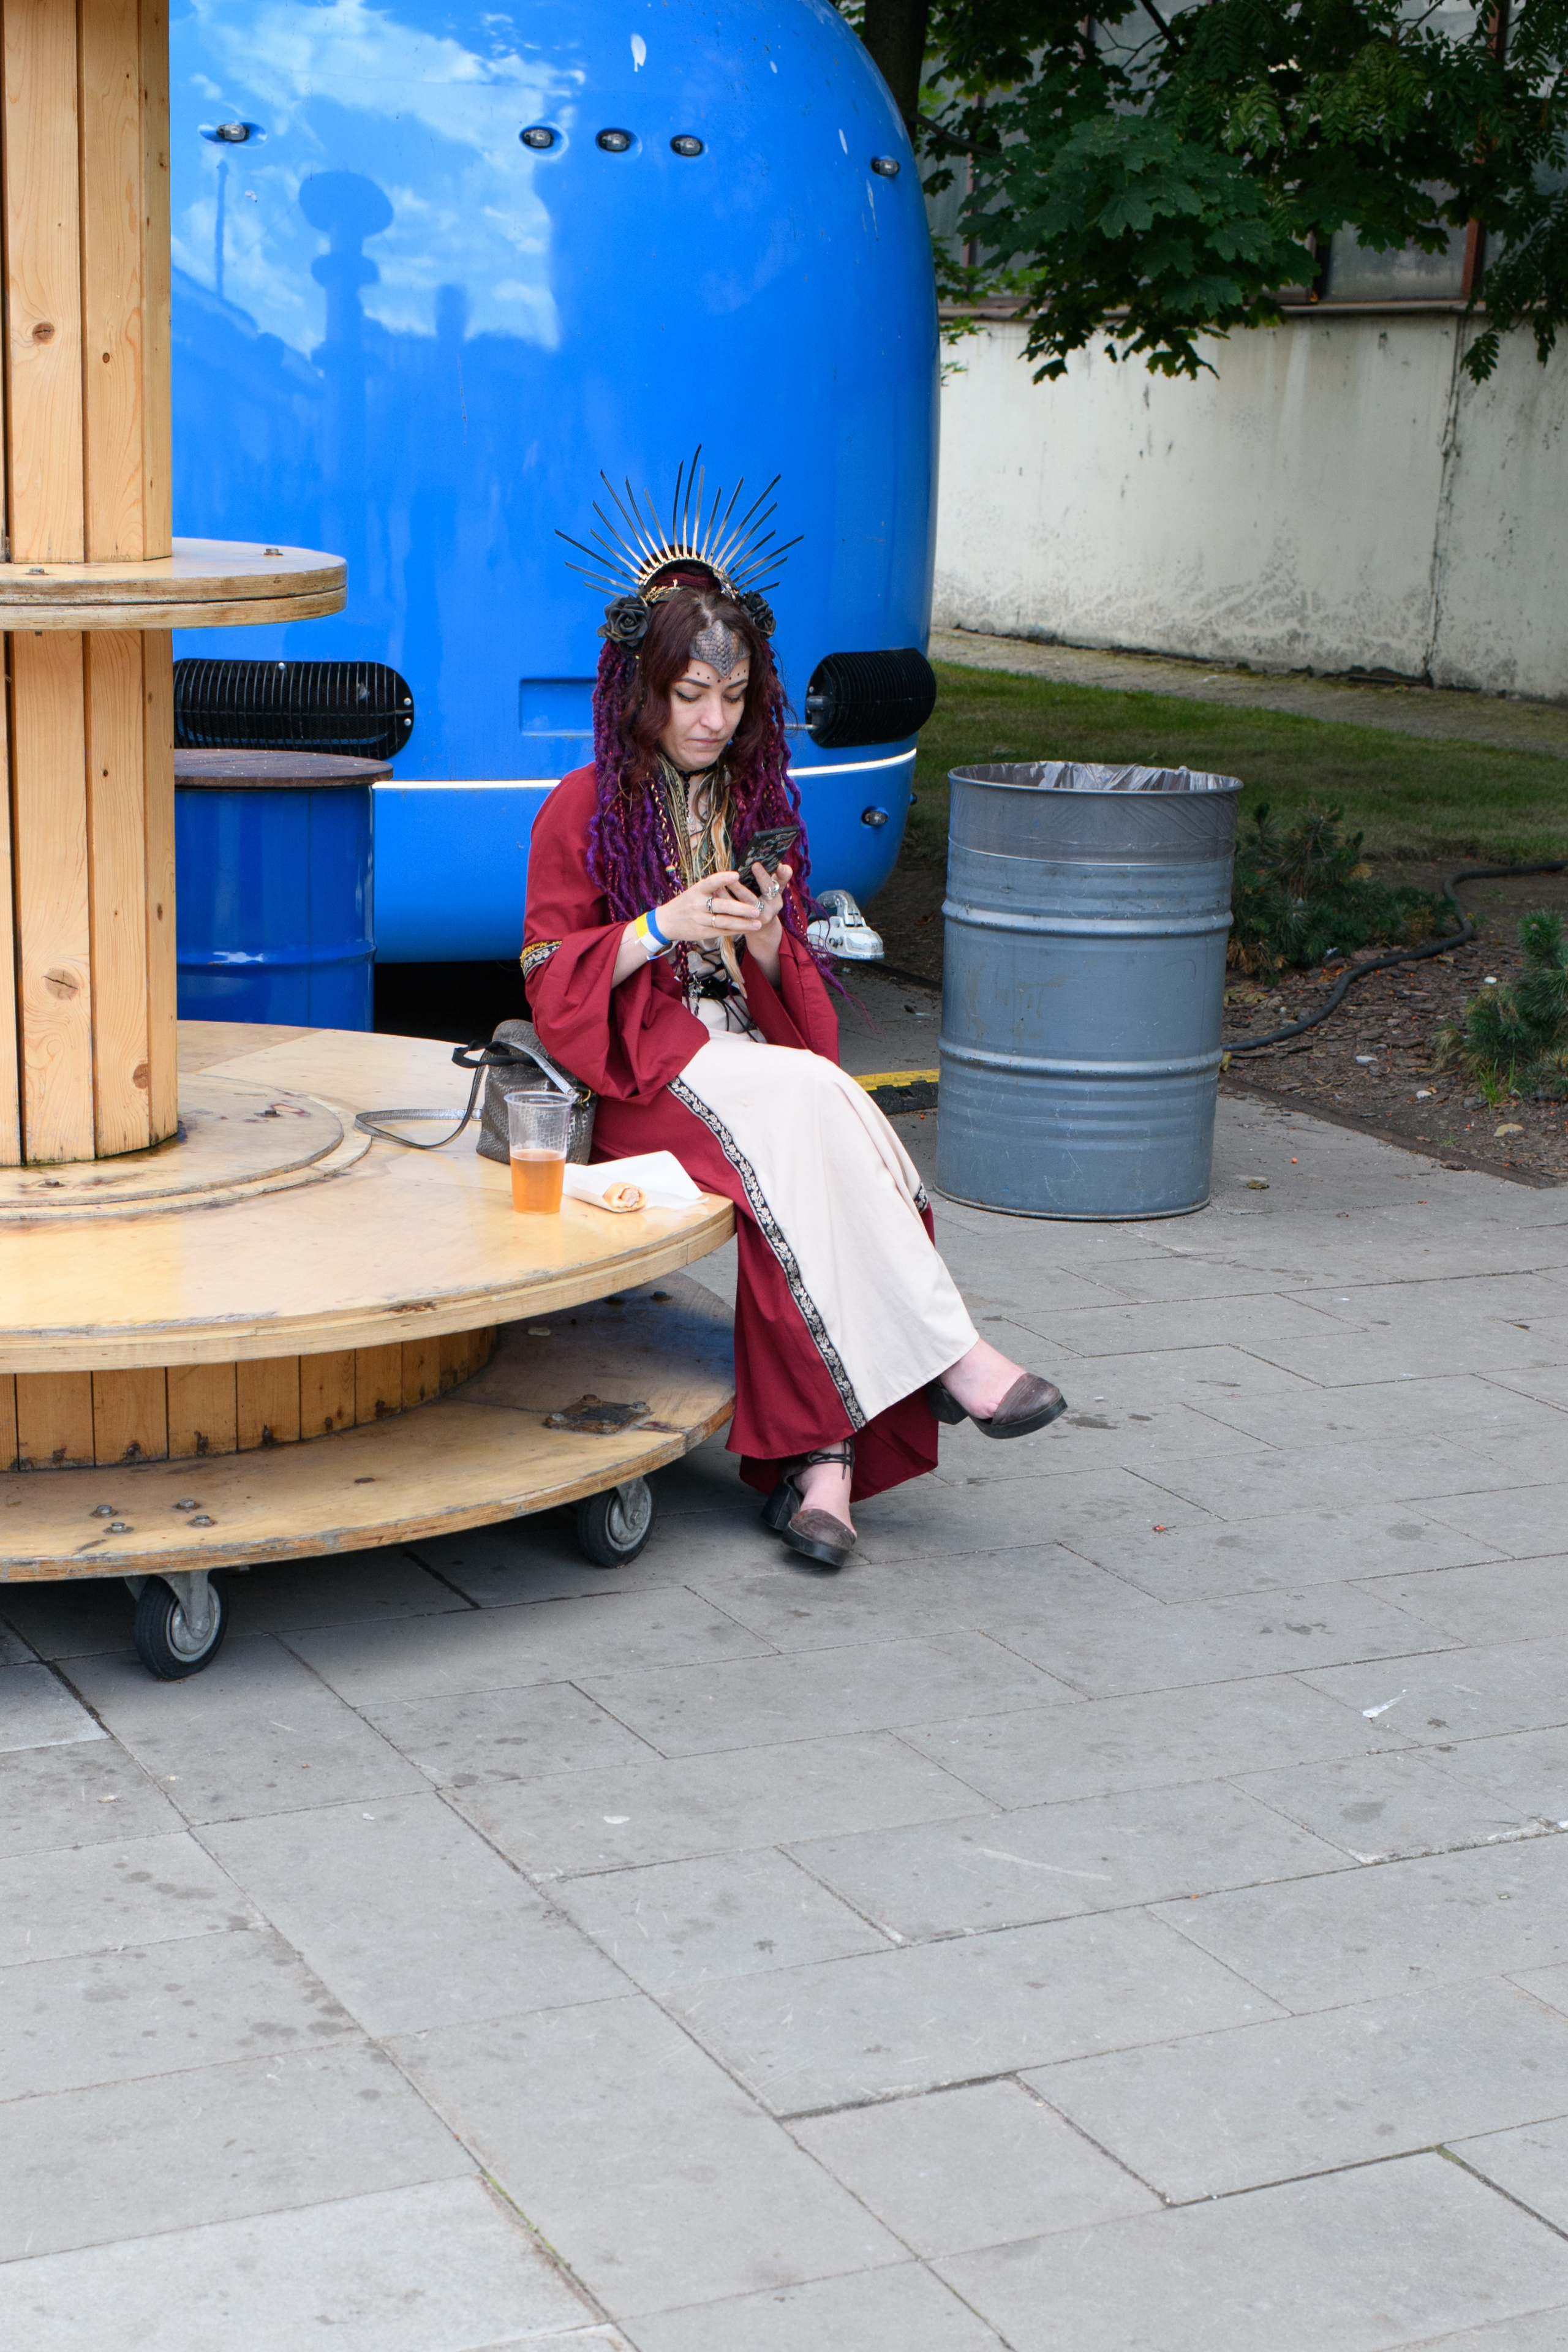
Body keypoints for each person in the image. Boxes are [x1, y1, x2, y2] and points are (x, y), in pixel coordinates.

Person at [523, 459, 1067, 1570]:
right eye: (690, 696)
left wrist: (768, 938)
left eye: (734, 696)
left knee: (814, 1157)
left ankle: (823, 1467)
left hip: (760, 1073)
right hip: (648, 1080)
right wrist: (661, 927)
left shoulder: (760, 804)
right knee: (828, 1114)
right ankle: (952, 1356)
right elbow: (546, 974)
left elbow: (799, 1016)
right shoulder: (581, 807)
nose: (715, 720)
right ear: (642, 689)